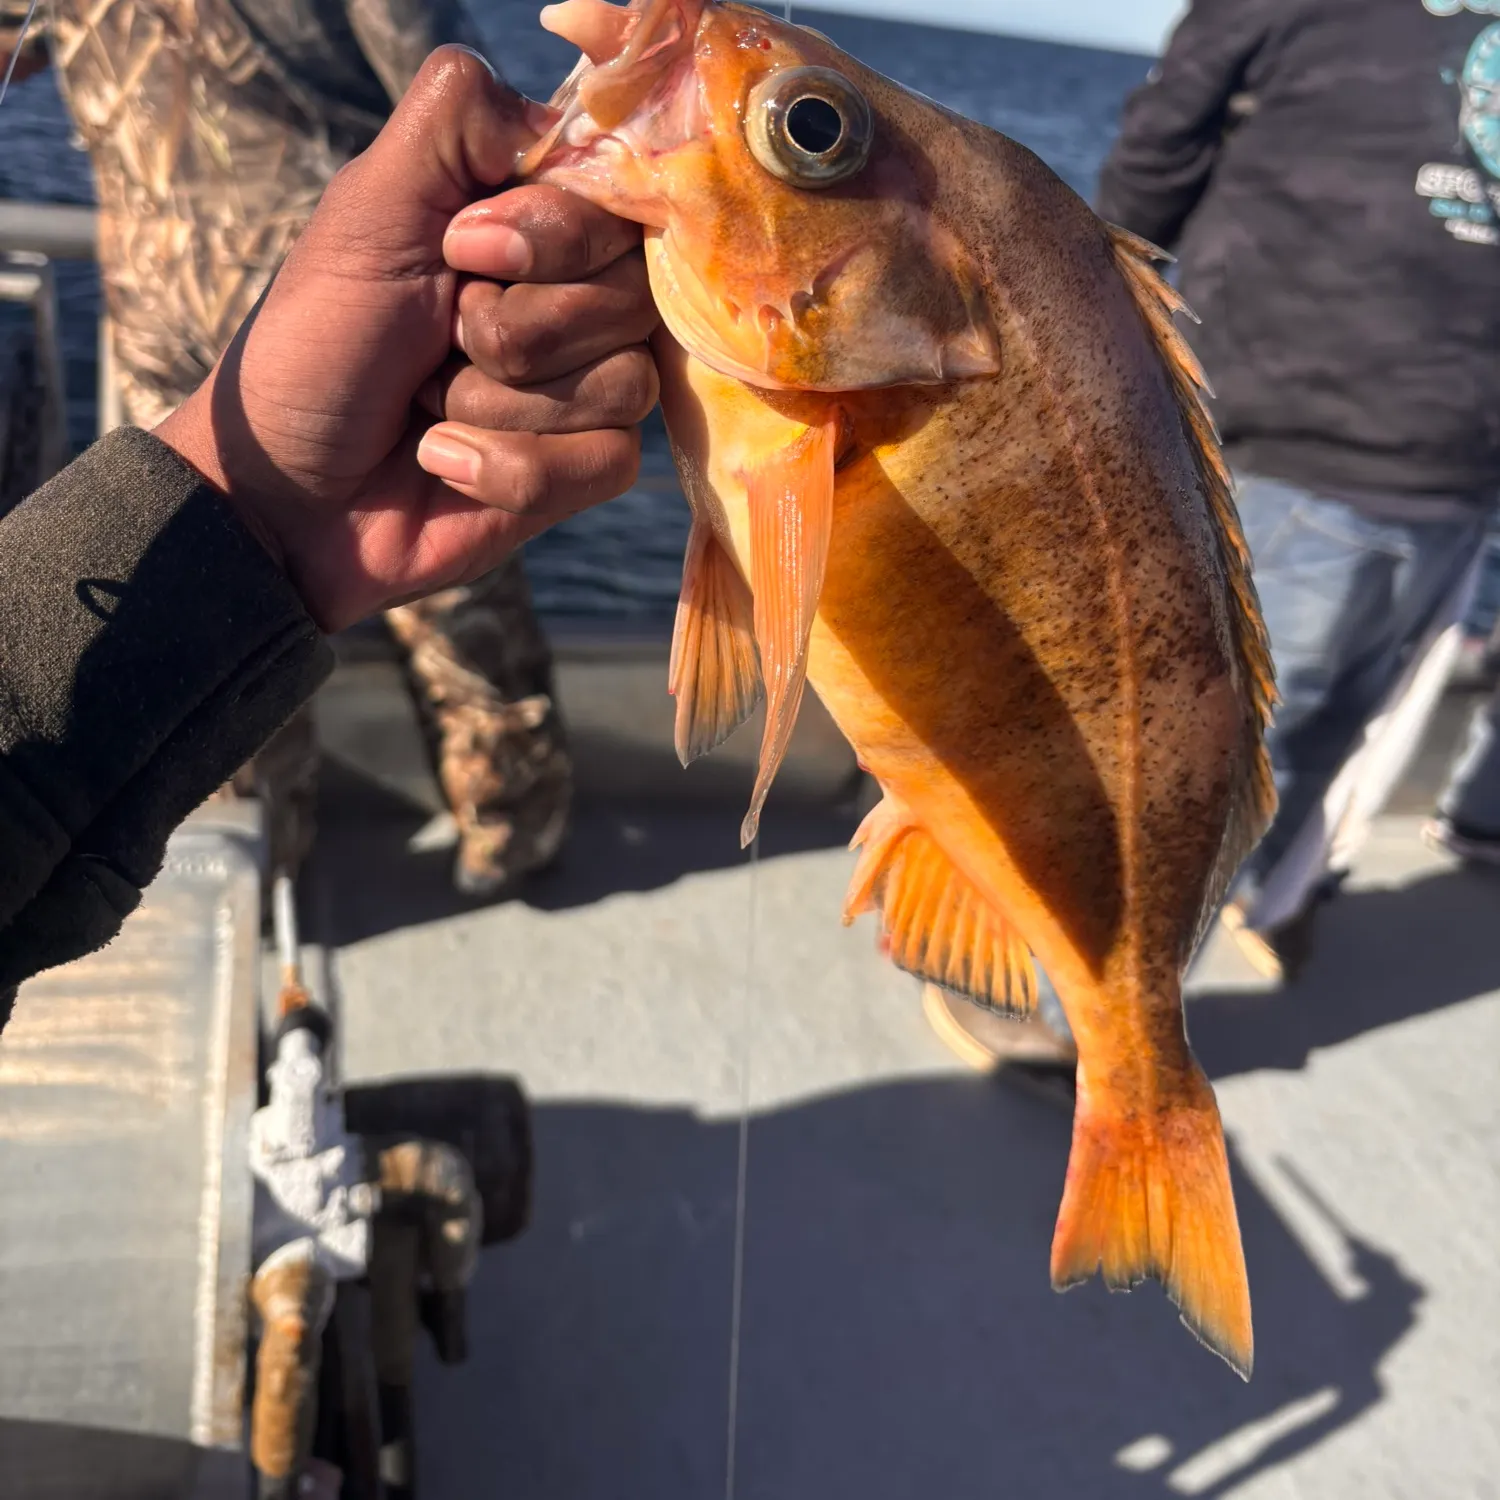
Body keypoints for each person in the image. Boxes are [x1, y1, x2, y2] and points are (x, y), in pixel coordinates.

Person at [0, 47, 658, 1021]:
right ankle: (505, 830)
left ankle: (281, 862)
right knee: (462, 621)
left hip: (216, 323)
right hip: (303, 313)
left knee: (240, 593)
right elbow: (430, 66)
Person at [927, 0, 1500, 1074]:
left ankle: (1115, 992)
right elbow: (1153, 162)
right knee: (1199, 752)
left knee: (1263, 754)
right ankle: (1111, 986)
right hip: (1284, 448)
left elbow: (1155, 158)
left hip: (1457, 480)